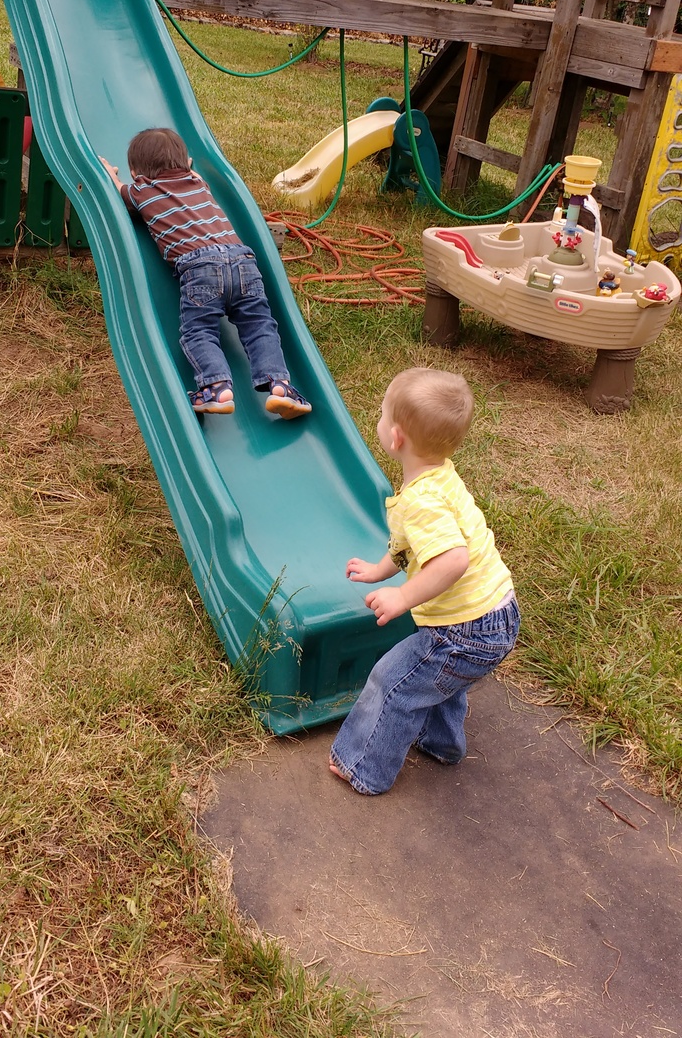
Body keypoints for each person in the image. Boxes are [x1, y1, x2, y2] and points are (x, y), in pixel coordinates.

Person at [329, 367, 518, 795]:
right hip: (495, 613)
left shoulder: (421, 502)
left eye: (381, 414)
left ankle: (363, 767)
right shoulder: (438, 475)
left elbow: (451, 559)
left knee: (394, 682)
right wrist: (380, 571)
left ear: (396, 438)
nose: (377, 419)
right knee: (440, 681)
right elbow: (411, 545)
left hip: (466, 629)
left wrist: (402, 596)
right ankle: (441, 743)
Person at [100, 127, 311, 419]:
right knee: (260, 324)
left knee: (199, 331)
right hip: (243, 260)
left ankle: (216, 387)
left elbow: (115, 190)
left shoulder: (141, 191)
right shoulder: (200, 184)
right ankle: (280, 386)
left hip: (199, 268)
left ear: (137, 172)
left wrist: (109, 173)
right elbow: (190, 170)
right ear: (185, 163)